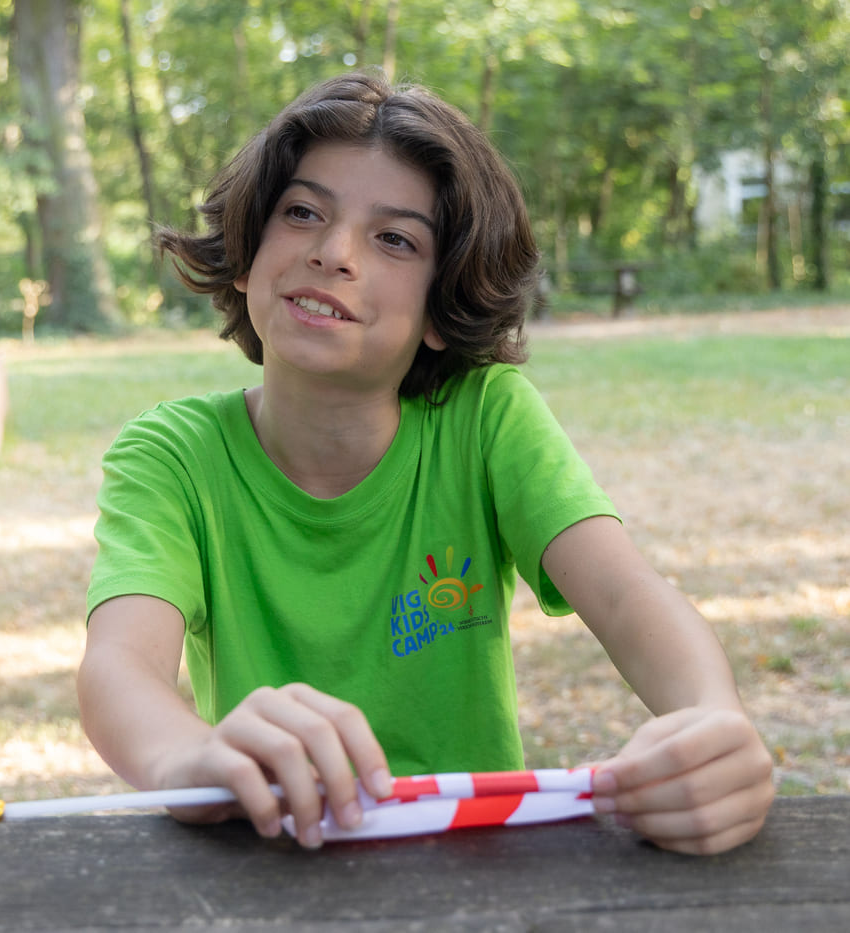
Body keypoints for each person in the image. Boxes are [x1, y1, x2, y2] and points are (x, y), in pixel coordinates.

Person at [77, 71, 774, 855]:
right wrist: (188, 758)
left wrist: (713, 721)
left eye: (395, 239)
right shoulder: (171, 456)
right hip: (275, 866)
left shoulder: (487, 419)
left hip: (475, 872)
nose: (332, 253)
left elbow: (624, 594)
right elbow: (120, 669)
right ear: (246, 255)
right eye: (302, 211)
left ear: (444, 308)